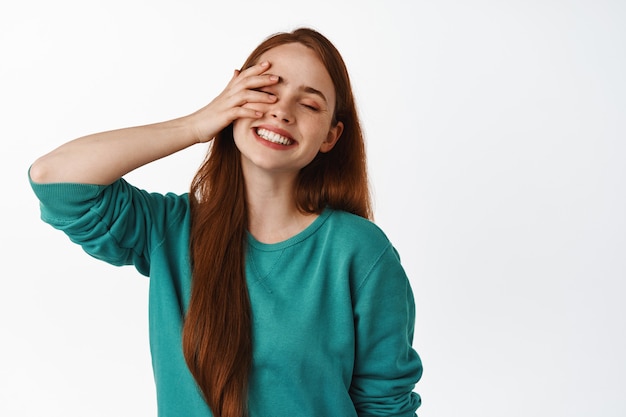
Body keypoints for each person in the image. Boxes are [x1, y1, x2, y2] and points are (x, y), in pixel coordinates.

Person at [29, 28, 422, 417]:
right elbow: (54, 176)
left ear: (330, 137)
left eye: (310, 105)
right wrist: (197, 124)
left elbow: (386, 407)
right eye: (266, 90)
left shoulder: (359, 252)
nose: (282, 111)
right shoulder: (170, 230)